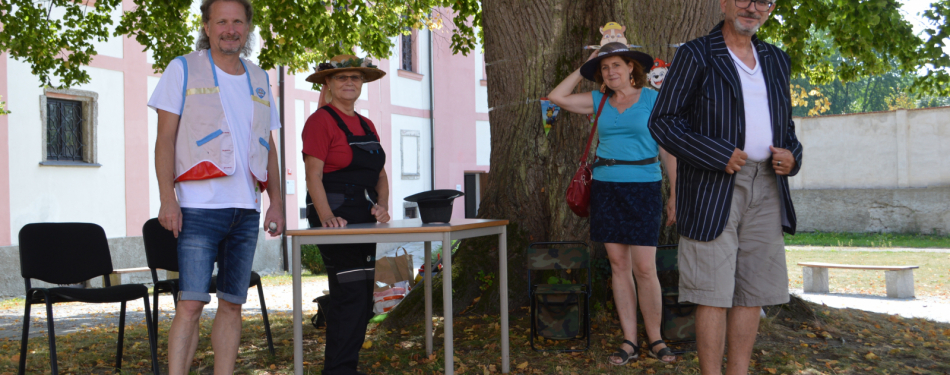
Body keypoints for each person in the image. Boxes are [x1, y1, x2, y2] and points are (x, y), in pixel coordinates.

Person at [647, 0, 803, 374]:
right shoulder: (696, 54)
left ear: (771, 8)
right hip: (710, 188)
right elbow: (663, 121)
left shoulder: (777, 59)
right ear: (724, 3)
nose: (752, 7)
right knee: (712, 294)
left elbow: (786, 127)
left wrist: (793, 155)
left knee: (753, 293)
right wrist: (716, 153)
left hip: (767, 185)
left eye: (762, 1)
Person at [148, 0, 283, 374]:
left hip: (247, 209)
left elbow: (267, 144)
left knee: (232, 304)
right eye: (221, 21)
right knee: (190, 303)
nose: (230, 29)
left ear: (248, 27)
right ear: (207, 26)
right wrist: (166, 199)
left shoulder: (258, 77)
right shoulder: (182, 68)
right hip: (198, 208)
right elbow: (164, 141)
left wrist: (276, 203)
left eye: (238, 21)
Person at [547, 42, 678, 365]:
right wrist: (583, 67)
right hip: (606, 189)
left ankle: (656, 338)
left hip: (645, 188)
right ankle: (629, 340)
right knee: (619, 267)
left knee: (645, 268)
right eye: (604, 68)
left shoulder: (652, 98)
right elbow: (556, 97)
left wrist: (676, 194)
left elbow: (668, 151)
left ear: (631, 67)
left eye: (616, 65)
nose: (611, 72)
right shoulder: (598, 101)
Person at [301, 54, 390, 375]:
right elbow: (313, 176)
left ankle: (344, 367)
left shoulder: (367, 124)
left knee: (364, 297)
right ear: (328, 84)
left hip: (363, 217)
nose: (349, 82)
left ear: (362, 83)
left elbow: (380, 175)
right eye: (341, 78)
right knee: (349, 293)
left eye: (355, 77)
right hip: (333, 215)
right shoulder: (319, 121)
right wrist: (327, 218)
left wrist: (382, 206)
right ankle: (338, 370)